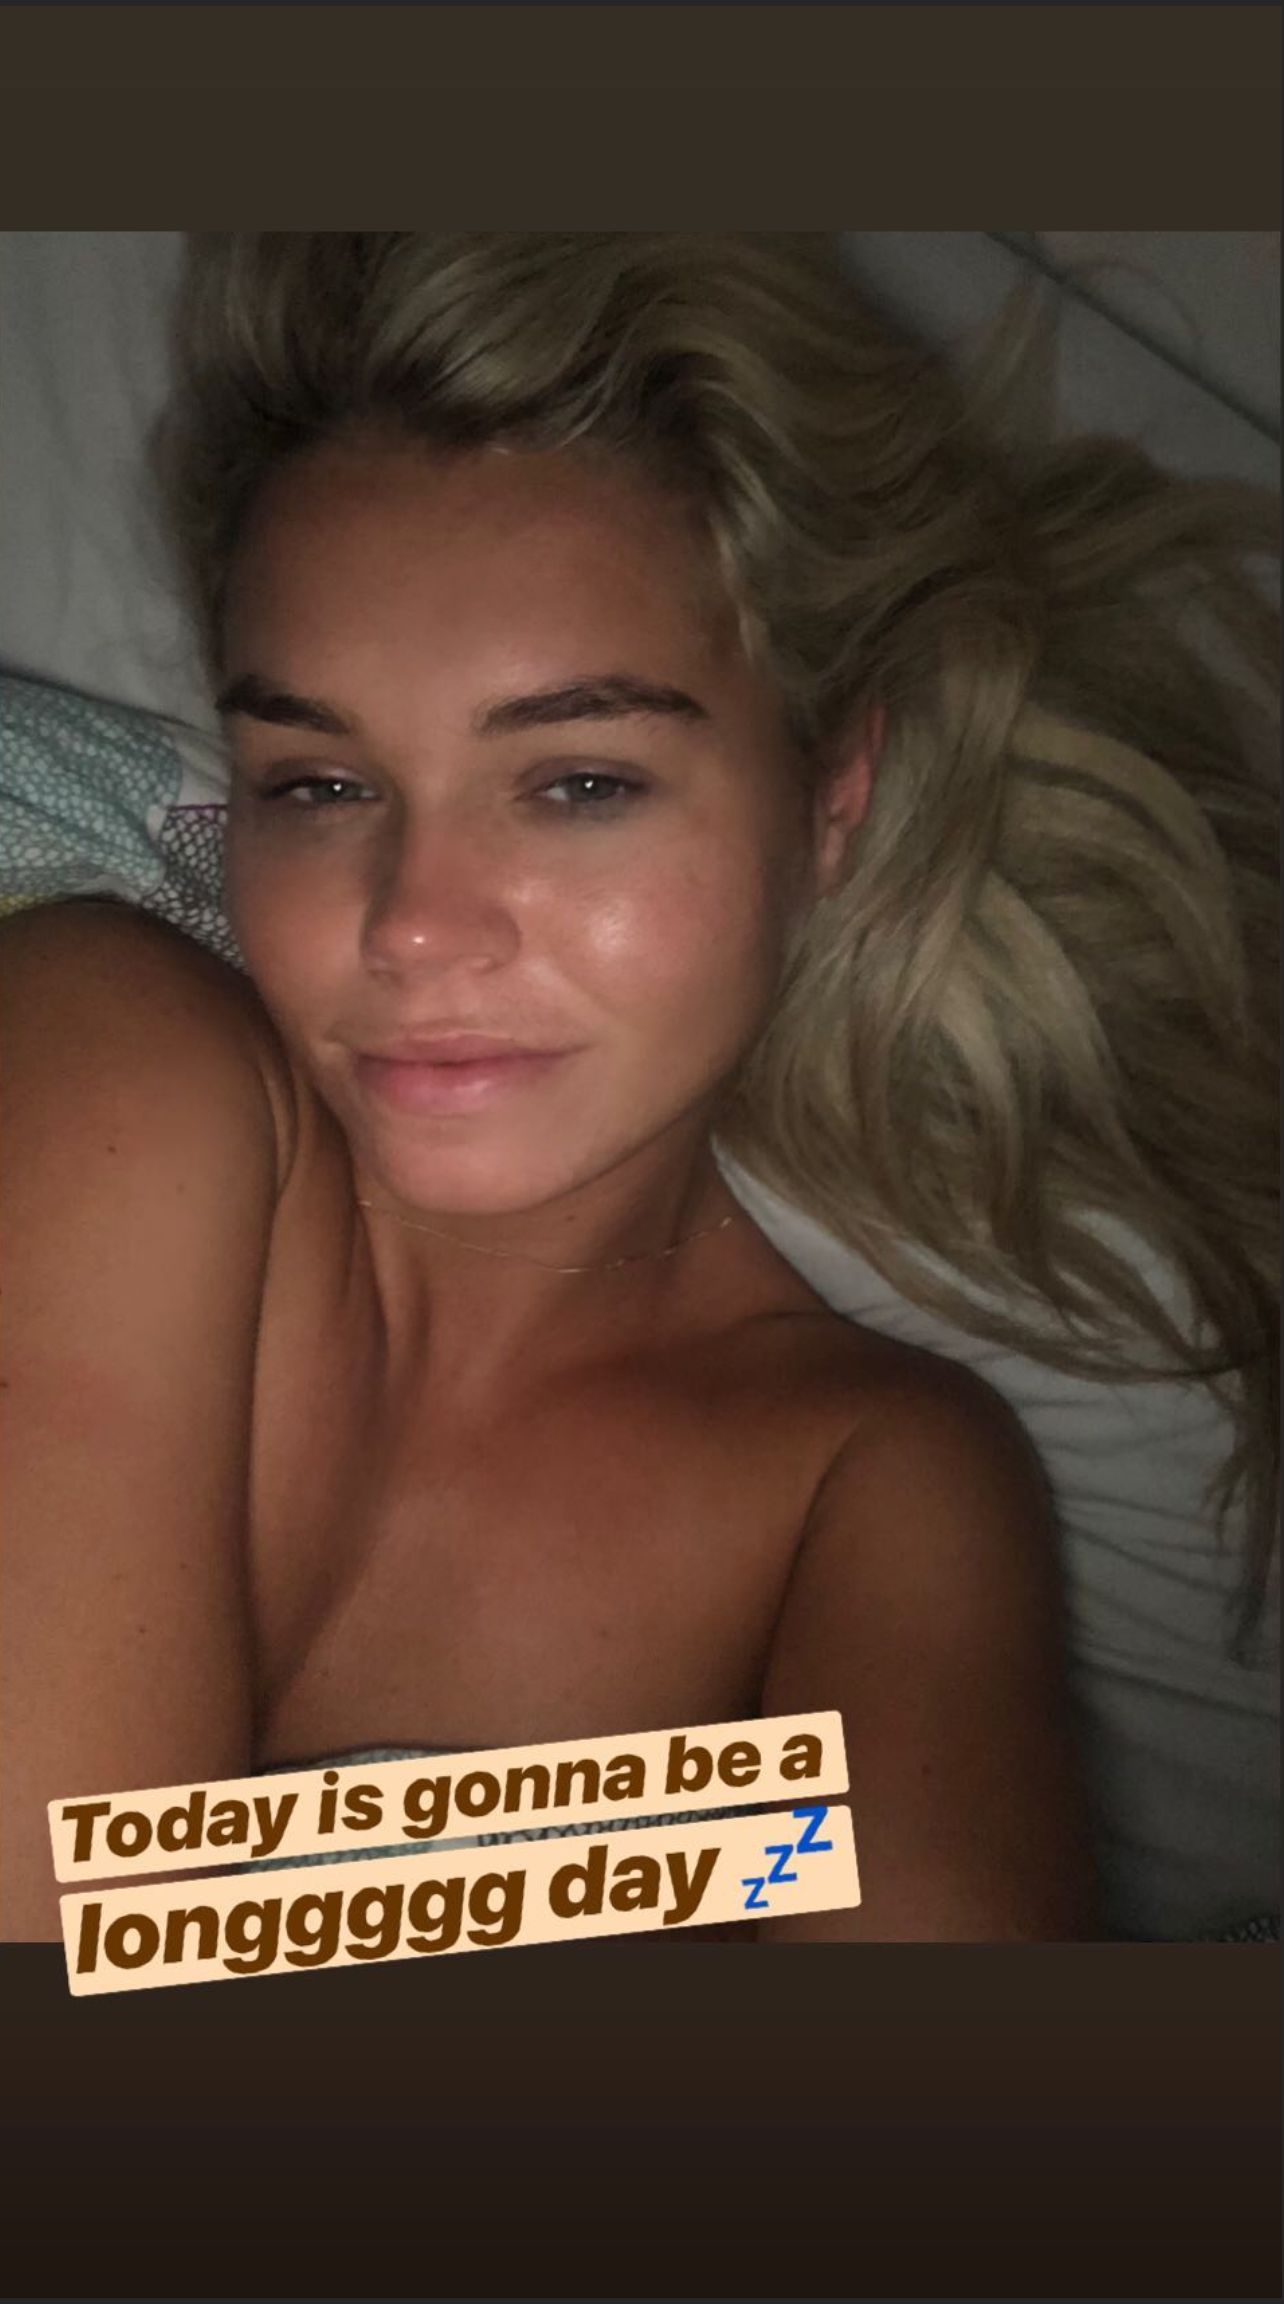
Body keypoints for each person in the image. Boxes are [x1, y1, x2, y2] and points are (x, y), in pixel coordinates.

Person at [2, 233, 1275, 1945]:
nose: (415, 922)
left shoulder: (865, 1479)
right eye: (320, 784)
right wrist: (668, 1852)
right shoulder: (118, 1057)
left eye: (580, 782)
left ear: (830, 800)